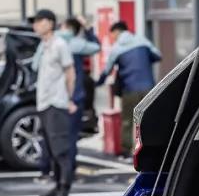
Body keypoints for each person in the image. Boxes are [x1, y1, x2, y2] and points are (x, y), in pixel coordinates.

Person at [31, 8, 77, 196]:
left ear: (50, 23)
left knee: (61, 150)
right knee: (50, 150)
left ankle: (64, 191)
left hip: (56, 103)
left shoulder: (60, 44)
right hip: (44, 103)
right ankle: (57, 186)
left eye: (39, 21)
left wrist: (69, 99)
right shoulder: (44, 46)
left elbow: (70, 73)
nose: (35, 25)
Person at [97, 20, 161, 154]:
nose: (112, 38)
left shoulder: (116, 48)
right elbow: (157, 56)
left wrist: (98, 82)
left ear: (116, 32)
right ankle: (151, 149)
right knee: (148, 120)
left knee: (127, 121)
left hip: (129, 90)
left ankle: (126, 151)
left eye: (112, 35)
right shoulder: (142, 40)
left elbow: (107, 70)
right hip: (149, 89)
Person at [59, 17, 100, 178]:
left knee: (56, 136)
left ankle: (54, 171)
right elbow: (96, 47)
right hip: (75, 97)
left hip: (56, 98)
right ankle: (68, 170)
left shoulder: (53, 42)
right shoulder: (77, 44)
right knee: (71, 135)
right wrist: (88, 29)